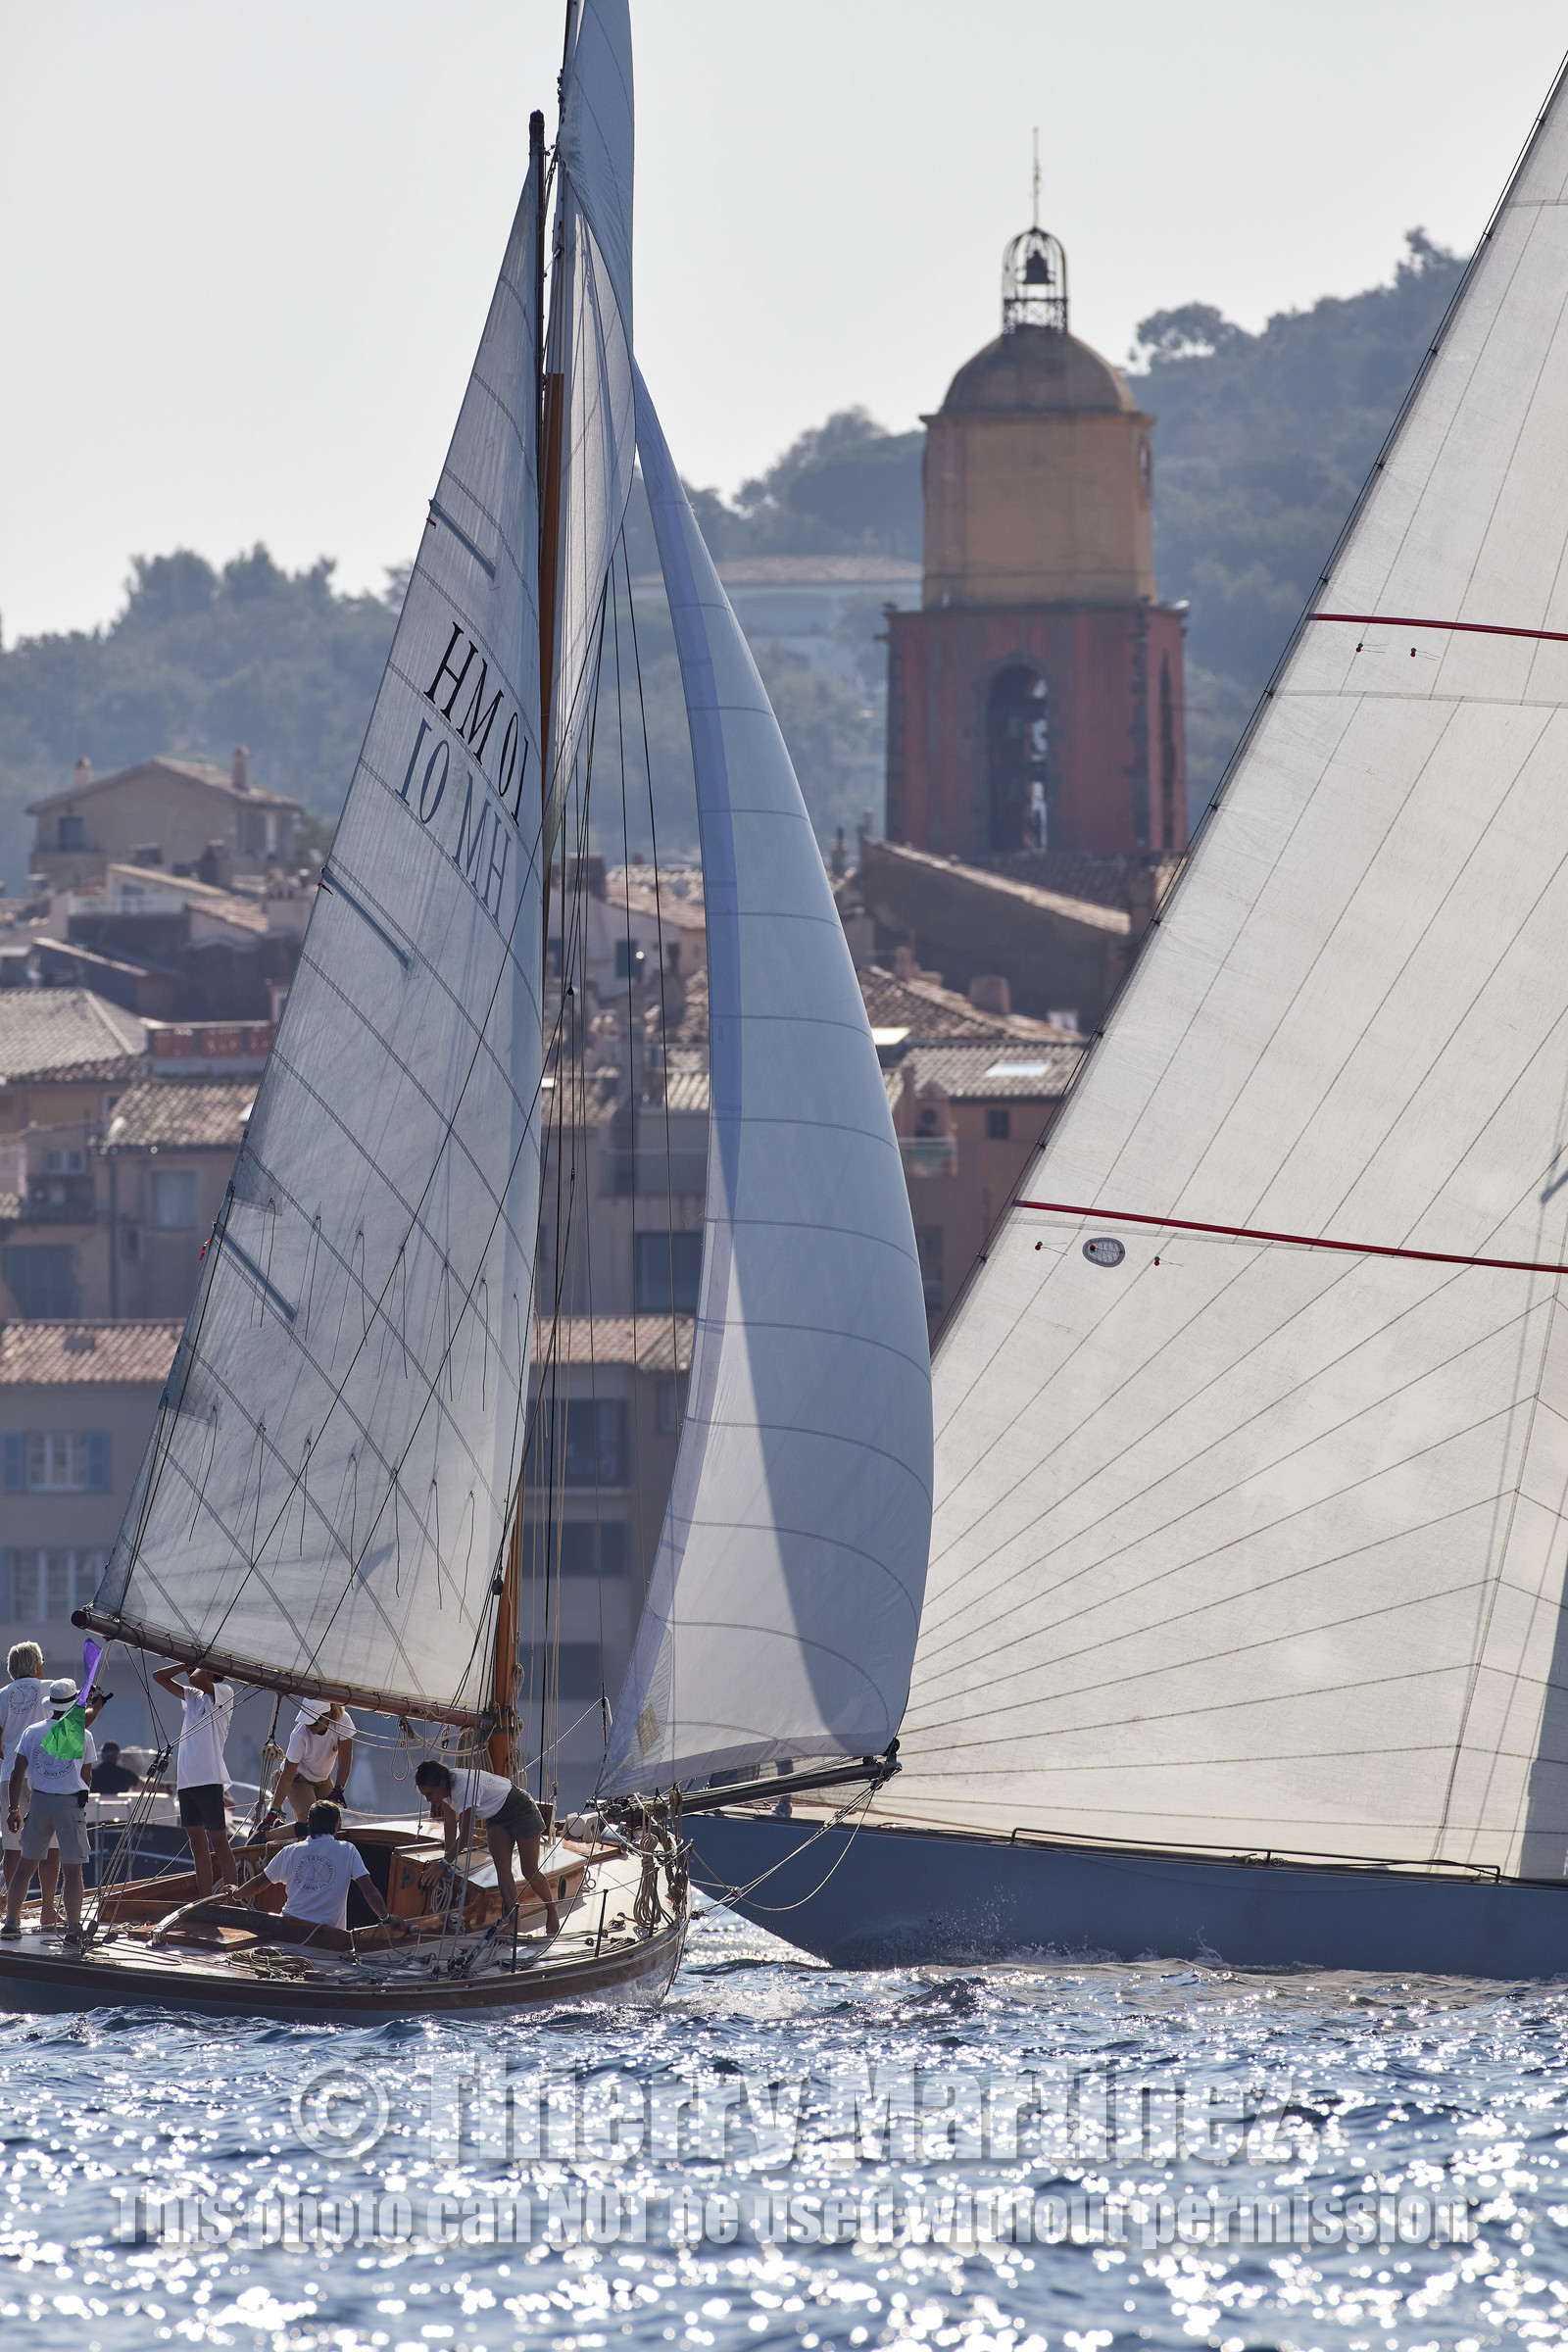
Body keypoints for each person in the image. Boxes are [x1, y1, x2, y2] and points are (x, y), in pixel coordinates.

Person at [1, 1643, 107, 1924]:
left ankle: (11, 1916)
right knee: (54, 1852)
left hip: (10, 1774)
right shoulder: (53, 1687)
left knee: (14, 1850)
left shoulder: (2, 1695)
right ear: (37, 1666)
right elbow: (78, 1726)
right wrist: (95, 1703)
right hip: (52, 1786)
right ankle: (49, 1912)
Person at [414, 1759, 560, 1934]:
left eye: (429, 1794)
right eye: (425, 1795)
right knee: (502, 1869)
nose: (428, 1800)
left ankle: (552, 1911)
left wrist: (442, 1864)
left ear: (442, 1784)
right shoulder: (444, 1790)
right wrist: (448, 1863)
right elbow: (451, 1825)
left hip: (519, 1808)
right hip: (496, 1816)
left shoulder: (463, 1789)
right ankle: (515, 1923)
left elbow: (466, 1836)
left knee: (529, 1871)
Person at [232, 1801, 398, 1940]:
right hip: (328, 1937)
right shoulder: (348, 1850)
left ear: (309, 1825)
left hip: (288, 1929)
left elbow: (260, 1883)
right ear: (336, 1826)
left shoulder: (290, 1851)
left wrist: (235, 1894)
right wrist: (386, 1918)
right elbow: (369, 1892)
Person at [152, 1660, 238, 1897]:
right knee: (196, 1843)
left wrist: (201, 1661)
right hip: (187, 1780)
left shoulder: (224, 1692)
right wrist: (185, 1662)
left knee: (219, 1841)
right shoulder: (192, 1696)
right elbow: (159, 1676)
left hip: (209, 1778)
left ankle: (233, 1897)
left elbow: (196, 1678)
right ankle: (205, 1899)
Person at [268, 1699, 356, 1824]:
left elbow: (345, 1760)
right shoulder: (299, 1735)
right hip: (298, 1780)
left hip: (323, 1779)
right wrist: (273, 1812)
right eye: (306, 1722)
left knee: (333, 1824)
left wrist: (338, 1789)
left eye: (313, 1723)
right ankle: (272, 1831)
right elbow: (287, 1776)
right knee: (309, 1824)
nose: (309, 1726)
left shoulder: (343, 1721)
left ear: (328, 1715)